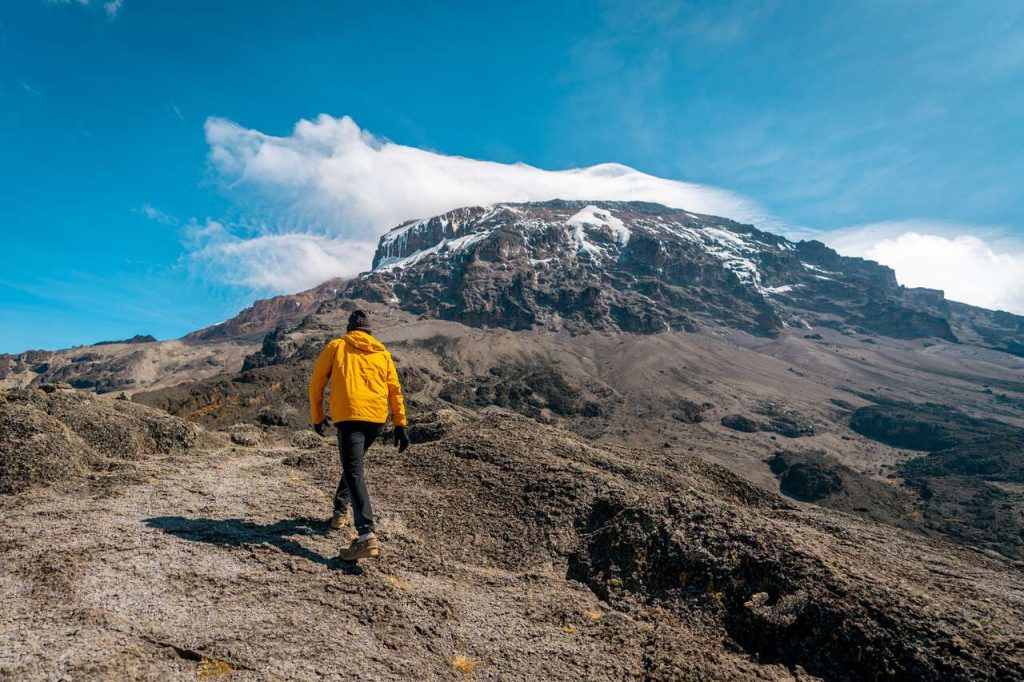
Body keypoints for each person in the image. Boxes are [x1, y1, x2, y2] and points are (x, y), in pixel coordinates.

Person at [309, 309, 410, 561]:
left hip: (350, 417)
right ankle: (339, 511)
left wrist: (317, 417)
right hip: (376, 419)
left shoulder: (337, 346)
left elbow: (317, 382)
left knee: (353, 470)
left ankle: (366, 535)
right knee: (353, 465)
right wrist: (400, 423)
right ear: (369, 331)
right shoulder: (382, 353)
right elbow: (394, 389)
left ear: (349, 328)